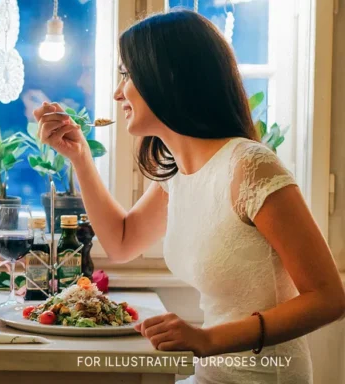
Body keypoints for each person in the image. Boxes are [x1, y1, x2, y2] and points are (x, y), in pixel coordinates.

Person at [35, 10, 345, 384]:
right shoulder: (179, 174)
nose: (119, 93)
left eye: (127, 75)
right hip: (209, 374)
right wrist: (80, 157)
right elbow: (120, 242)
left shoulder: (250, 166)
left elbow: (328, 298)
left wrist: (206, 338)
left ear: (166, 77)